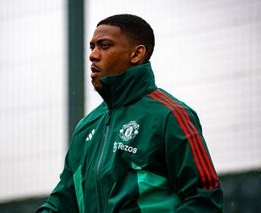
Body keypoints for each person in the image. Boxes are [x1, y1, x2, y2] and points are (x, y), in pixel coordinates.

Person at [37, 14, 223, 212]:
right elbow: (64, 200)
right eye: (92, 47)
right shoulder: (86, 127)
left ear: (136, 54)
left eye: (105, 45)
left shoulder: (170, 115)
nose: (93, 55)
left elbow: (205, 201)